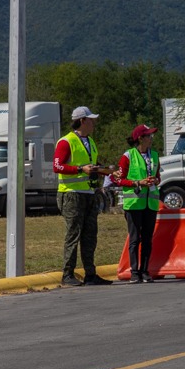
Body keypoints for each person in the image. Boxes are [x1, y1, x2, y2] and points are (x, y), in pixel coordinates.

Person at [54, 106, 113, 287]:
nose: (94, 123)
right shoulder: (66, 142)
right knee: (74, 234)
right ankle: (68, 274)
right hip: (71, 195)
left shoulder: (90, 142)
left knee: (90, 235)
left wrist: (106, 171)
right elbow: (57, 166)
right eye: (91, 120)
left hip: (89, 193)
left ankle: (90, 274)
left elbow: (93, 164)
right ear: (82, 121)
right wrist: (81, 169)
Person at [112, 125, 162, 283]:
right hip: (134, 203)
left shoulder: (154, 155)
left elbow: (158, 176)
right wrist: (138, 183)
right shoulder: (128, 156)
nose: (151, 139)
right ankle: (134, 271)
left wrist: (155, 180)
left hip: (151, 204)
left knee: (148, 238)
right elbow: (118, 179)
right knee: (135, 239)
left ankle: (145, 270)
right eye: (148, 136)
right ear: (140, 138)